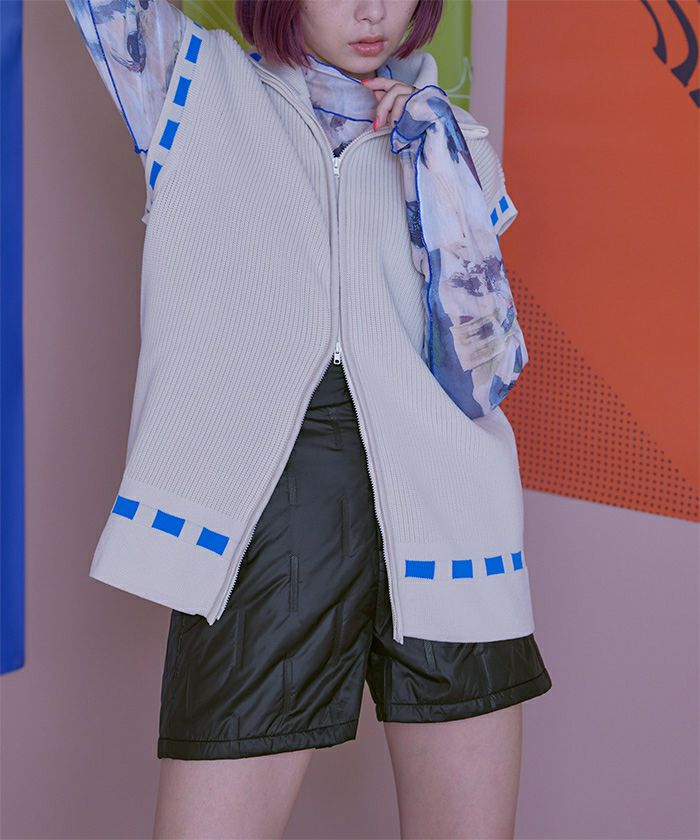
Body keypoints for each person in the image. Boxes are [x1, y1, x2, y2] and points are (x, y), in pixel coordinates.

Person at [64, 1, 552, 837]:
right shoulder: (188, 84)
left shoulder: (454, 138)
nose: (373, 12)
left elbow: (484, 376)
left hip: (451, 528)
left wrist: (435, 164)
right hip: (269, 521)